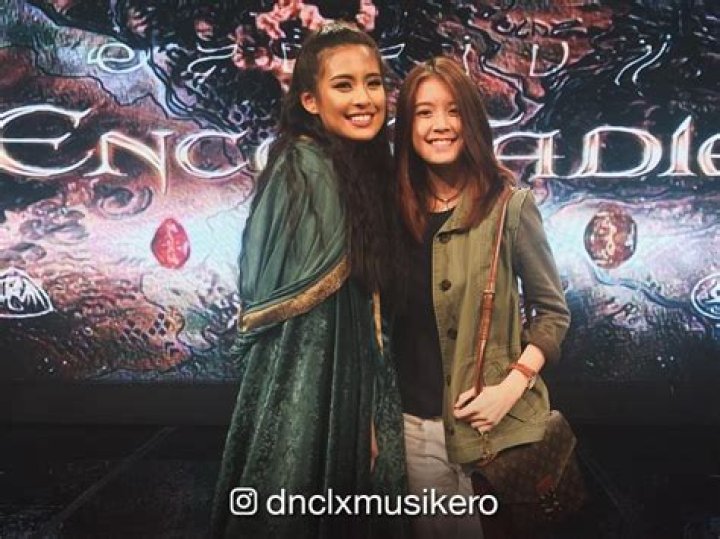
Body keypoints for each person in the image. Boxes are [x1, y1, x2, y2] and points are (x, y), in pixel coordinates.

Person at [211, 24, 407, 539]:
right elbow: (309, 325)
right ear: (310, 100)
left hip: (356, 378)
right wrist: (349, 418)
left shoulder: (356, 164)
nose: (364, 99)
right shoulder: (307, 167)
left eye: (373, 83)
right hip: (312, 384)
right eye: (343, 85)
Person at [392, 57, 571, 538]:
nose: (440, 125)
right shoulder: (393, 215)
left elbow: (553, 314)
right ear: (407, 127)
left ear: (471, 120)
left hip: (496, 430)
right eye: (424, 112)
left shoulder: (511, 207)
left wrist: (509, 389)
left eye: (453, 110)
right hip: (416, 432)